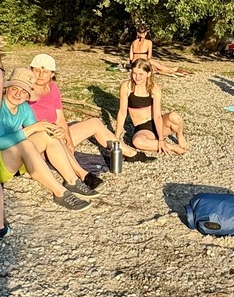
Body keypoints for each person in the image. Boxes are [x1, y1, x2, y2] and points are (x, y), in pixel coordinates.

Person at [29, 54, 154, 165]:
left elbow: (61, 119)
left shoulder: (53, 89)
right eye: (37, 70)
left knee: (95, 123)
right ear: (31, 70)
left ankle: (130, 153)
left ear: (52, 74)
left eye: (45, 71)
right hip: (36, 141)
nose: (40, 75)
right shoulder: (24, 89)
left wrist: (69, 142)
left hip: (57, 134)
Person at [1, 68, 96, 210]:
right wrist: (31, 129)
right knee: (26, 144)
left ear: (28, 96)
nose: (18, 94)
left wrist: (55, 132)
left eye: (23, 91)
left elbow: (36, 130)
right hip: (3, 163)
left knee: (46, 134)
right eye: (14, 89)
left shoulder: (24, 108)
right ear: (6, 89)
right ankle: (60, 192)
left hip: (18, 160)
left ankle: (72, 181)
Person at [114, 59, 189, 155]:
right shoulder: (126, 86)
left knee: (174, 117)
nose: (137, 77)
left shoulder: (155, 88)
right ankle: (171, 146)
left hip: (159, 123)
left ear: (148, 74)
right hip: (143, 127)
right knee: (137, 142)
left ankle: (180, 135)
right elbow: (122, 112)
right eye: (134, 73)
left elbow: (157, 115)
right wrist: (116, 137)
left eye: (141, 74)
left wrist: (161, 138)